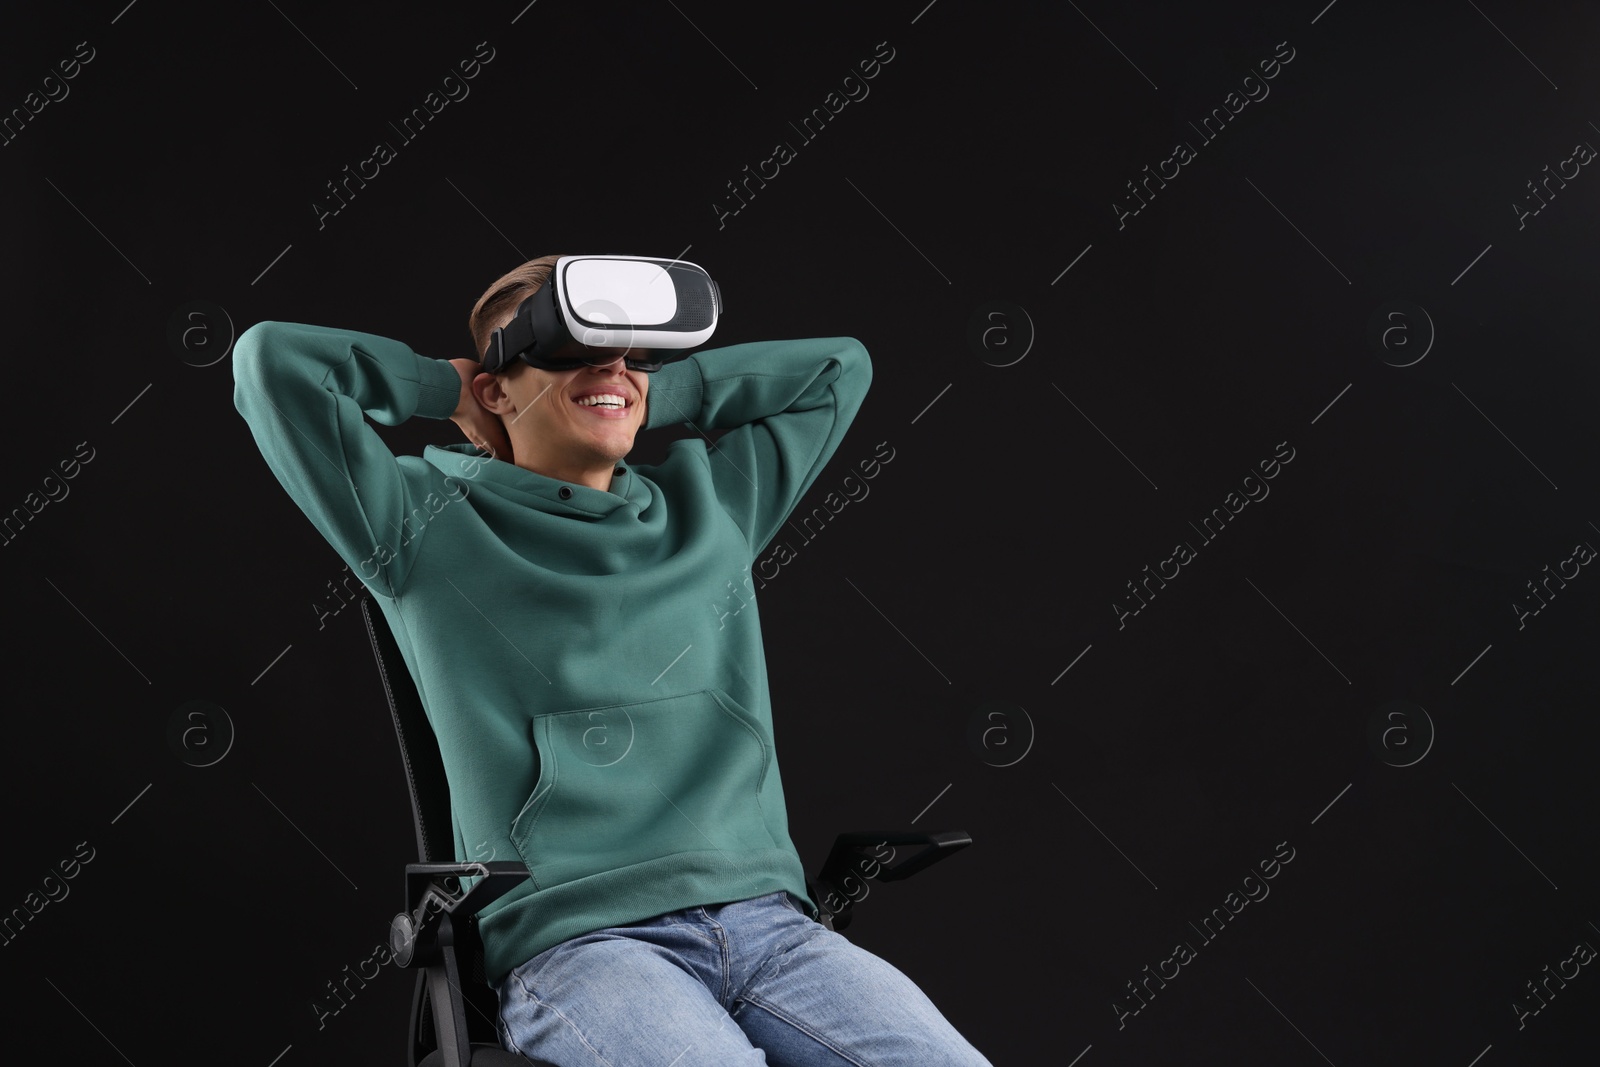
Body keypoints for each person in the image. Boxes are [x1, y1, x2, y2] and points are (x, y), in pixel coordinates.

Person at [232, 254, 991, 1065]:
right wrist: (443, 387)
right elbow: (269, 363)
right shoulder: (422, 524)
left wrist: (648, 390)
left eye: (631, 354)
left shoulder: (715, 505)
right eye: (566, 350)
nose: (612, 368)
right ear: (497, 389)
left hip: (772, 924)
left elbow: (839, 368)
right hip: (584, 943)